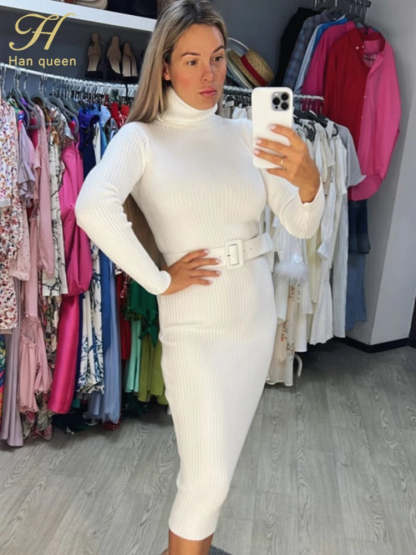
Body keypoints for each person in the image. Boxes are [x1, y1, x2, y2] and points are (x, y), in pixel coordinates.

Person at [75, 1, 324, 554]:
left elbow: (300, 221)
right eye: (192, 60)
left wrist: (310, 181)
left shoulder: (244, 133)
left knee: (221, 470)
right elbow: (92, 205)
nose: (210, 74)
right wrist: (160, 280)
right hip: (196, 327)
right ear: (164, 67)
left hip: (254, 317)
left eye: (216, 58)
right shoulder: (142, 138)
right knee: (205, 479)